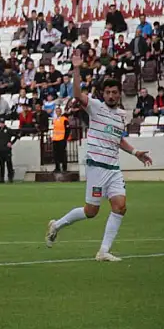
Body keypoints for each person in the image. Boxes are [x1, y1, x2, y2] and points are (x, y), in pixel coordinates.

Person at [46, 54, 153, 262]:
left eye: (114, 92)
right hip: (96, 167)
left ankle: (103, 251)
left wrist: (135, 152)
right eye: (108, 92)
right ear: (103, 94)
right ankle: (56, 225)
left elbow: (117, 139)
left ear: (119, 94)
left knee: (120, 206)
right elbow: (77, 94)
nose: (111, 95)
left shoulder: (122, 115)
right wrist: (76, 69)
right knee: (91, 211)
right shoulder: (95, 106)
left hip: (113, 169)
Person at [51, 107, 70, 172]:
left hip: (62, 139)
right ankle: (57, 168)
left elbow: (68, 130)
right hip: (55, 139)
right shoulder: (54, 119)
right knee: (56, 154)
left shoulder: (64, 119)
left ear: (61, 112)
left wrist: (65, 138)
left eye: (59, 111)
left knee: (62, 154)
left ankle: (64, 168)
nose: (58, 112)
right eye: (56, 111)